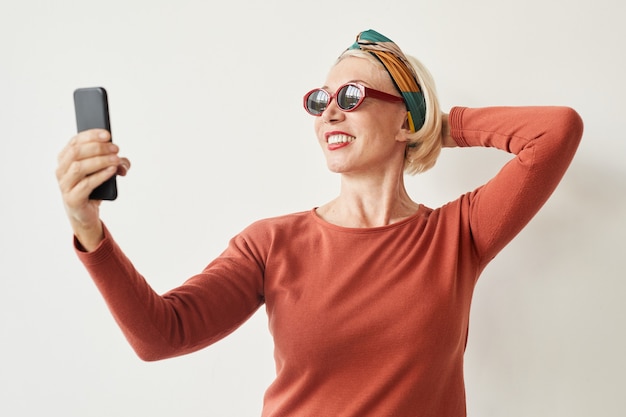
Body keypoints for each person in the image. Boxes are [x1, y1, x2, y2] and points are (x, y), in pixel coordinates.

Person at [56, 29, 583, 417]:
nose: (330, 113)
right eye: (320, 101)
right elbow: (160, 335)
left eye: (351, 97)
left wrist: (438, 125)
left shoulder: (458, 234)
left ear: (404, 118)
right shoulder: (271, 244)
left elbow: (555, 132)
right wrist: (88, 228)